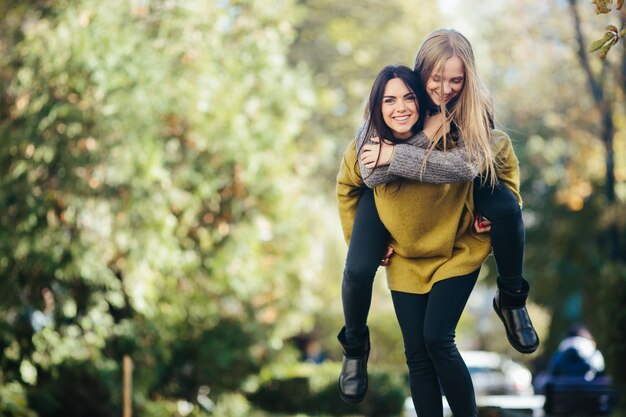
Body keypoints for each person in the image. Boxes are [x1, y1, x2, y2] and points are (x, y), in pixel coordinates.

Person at [336, 31, 535, 416]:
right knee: (360, 275)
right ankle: (355, 347)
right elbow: (372, 175)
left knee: (508, 210)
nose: (445, 89)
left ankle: (512, 300)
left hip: (463, 202)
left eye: (456, 80)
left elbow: (467, 165)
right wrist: (421, 137)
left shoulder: (475, 108)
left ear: (468, 78)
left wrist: (395, 154)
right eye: (437, 78)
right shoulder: (392, 100)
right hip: (396, 222)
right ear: (422, 70)